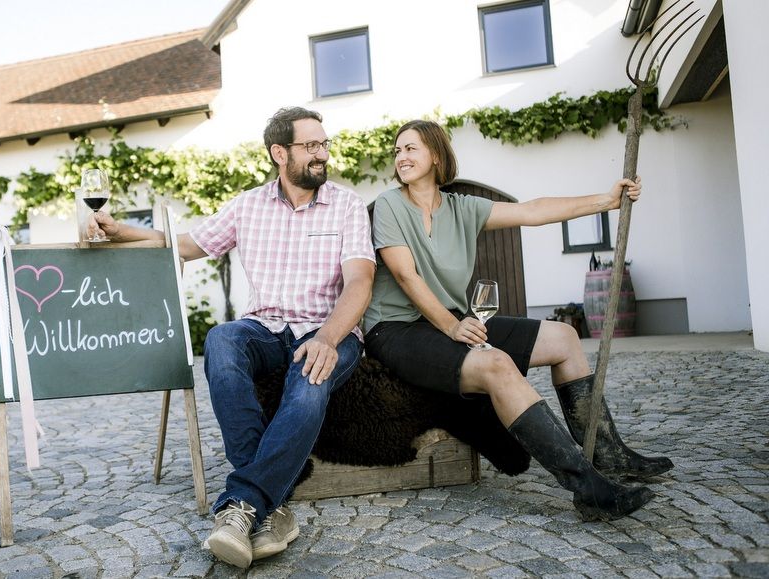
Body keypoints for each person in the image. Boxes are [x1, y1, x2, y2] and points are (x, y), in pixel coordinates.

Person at [91, 107, 375, 567]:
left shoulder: (347, 204)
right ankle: (273, 504)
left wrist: (326, 338)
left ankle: (242, 505)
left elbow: (360, 282)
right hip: (266, 329)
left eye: (324, 144)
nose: (322, 154)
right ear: (279, 153)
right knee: (222, 338)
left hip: (330, 329)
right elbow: (186, 244)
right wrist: (118, 230)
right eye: (311, 146)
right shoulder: (248, 206)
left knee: (307, 386)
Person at [363, 120, 673, 522]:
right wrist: (452, 326)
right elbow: (406, 276)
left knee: (563, 337)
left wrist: (606, 201)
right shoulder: (390, 205)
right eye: (398, 151)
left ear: (435, 156)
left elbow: (533, 211)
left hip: (450, 321)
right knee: (496, 364)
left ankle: (608, 454)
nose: (401, 157)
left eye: (411, 149)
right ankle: (588, 489)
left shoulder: (462, 208)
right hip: (397, 330)